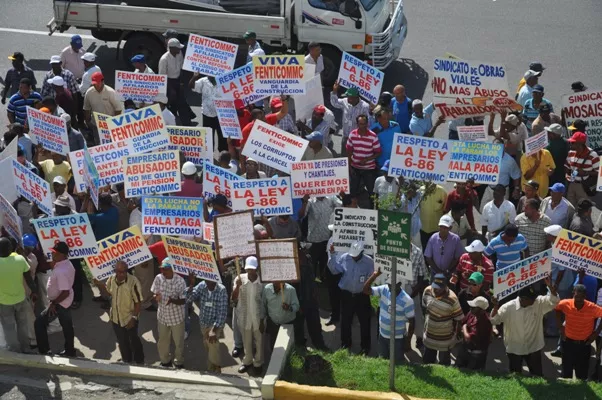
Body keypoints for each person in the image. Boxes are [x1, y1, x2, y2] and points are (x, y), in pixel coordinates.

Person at [93, 261, 144, 364]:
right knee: (122, 341)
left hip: (129, 318)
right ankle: (126, 360)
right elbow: (108, 292)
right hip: (116, 318)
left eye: (124, 272)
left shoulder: (133, 282)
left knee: (134, 341)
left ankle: (139, 361)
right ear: (115, 271)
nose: (121, 274)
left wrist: (134, 318)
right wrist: (100, 285)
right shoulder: (111, 279)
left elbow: (138, 303)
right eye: (119, 272)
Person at [328, 241, 374, 353]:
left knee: (364, 322)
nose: (353, 257)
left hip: (361, 296)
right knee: (346, 321)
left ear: (362, 252)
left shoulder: (369, 262)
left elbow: (372, 277)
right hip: (346, 295)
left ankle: (365, 347)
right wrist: (332, 254)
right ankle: (345, 344)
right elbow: (334, 270)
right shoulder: (345, 257)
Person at [362, 268, 415, 364]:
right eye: (389, 284)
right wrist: (375, 275)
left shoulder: (407, 300)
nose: (390, 286)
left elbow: (412, 323)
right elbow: (365, 290)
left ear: (399, 284)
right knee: (383, 362)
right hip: (382, 335)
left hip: (397, 339)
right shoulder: (384, 289)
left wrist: (408, 342)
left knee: (397, 364)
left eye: (392, 284)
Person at [34, 241, 76, 357]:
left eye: (55, 253)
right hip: (64, 302)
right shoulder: (67, 264)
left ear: (62, 255)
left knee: (39, 323)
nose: (52, 255)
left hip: (59, 303)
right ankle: (70, 350)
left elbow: (65, 292)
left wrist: (53, 304)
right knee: (67, 326)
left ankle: (44, 351)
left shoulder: (60, 271)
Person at [555, 284, 602, 380]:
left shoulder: (592, 307)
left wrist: (596, 332)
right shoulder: (566, 303)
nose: (579, 299)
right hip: (568, 343)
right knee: (566, 372)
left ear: (585, 296)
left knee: (582, 374)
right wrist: (560, 327)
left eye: (582, 297)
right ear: (573, 294)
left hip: (584, 345)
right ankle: (566, 391)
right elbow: (557, 309)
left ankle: (581, 390)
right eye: (577, 296)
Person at [0, 237, 37, 353]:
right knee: (23, 325)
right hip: (21, 299)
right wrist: (35, 291)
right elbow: (29, 278)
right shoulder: (20, 259)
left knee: (9, 327)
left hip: (4, 302)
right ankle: (25, 348)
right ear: (10, 248)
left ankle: (14, 349)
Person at [186, 273, 228, 373]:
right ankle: (212, 366)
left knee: (212, 343)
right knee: (208, 346)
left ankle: (215, 368)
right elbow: (188, 299)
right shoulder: (201, 285)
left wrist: (213, 330)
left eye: (211, 281)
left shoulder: (222, 290)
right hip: (203, 322)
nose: (208, 283)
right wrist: (191, 285)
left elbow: (222, 312)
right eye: (206, 280)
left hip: (215, 324)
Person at [231, 257, 265, 374]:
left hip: (258, 318)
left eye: (252, 269)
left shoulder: (262, 283)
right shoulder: (239, 279)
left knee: (259, 341)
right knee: (246, 341)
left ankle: (258, 362)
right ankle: (247, 361)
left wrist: (262, 320)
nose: (250, 272)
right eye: (248, 269)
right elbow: (233, 298)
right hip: (244, 317)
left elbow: (263, 302)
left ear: (257, 269)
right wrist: (237, 287)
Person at [151, 258, 187, 368]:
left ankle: (179, 361)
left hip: (176, 318)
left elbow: (183, 300)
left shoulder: (180, 281)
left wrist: (172, 300)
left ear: (172, 269)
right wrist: (155, 297)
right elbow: (154, 294)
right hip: (162, 316)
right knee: (162, 341)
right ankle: (165, 361)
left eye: (165, 269)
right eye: (162, 269)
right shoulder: (158, 278)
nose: (163, 272)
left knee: (178, 342)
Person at [422, 274, 463, 366]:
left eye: (439, 288)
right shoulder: (427, 290)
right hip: (429, 335)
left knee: (444, 365)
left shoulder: (453, 299)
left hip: (445, 338)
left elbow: (458, 318)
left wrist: (457, 333)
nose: (436, 290)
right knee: (428, 362)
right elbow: (424, 307)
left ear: (445, 286)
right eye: (435, 287)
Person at [300, 193, 341, 280]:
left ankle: (324, 280)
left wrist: (342, 197)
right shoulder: (310, 201)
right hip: (314, 239)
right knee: (312, 264)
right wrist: (304, 202)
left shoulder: (332, 197)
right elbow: (301, 215)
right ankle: (312, 283)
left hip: (328, 238)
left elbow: (342, 207)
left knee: (326, 263)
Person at [346, 114, 381, 207]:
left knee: (371, 191)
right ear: (357, 124)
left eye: (365, 124)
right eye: (361, 124)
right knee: (352, 190)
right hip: (355, 167)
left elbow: (378, 152)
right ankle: (351, 208)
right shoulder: (352, 134)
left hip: (369, 168)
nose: (363, 126)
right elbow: (349, 151)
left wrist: (367, 159)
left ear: (367, 124)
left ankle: (374, 210)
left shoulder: (373, 136)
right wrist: (349, 167)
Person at [83, 72, 123, 145]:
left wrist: (114, 123)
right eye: (94, 83)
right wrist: (87, 121)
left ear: (102, 81)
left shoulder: (111, 92)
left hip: (110, 125)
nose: (96, 85)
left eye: (97, 83)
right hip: (96, 124)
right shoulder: (89, 93)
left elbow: (118, 109)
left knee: (112, 144)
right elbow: (87, 108)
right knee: (99, 144)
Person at [330, 83, 370, 155]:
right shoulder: (345, 101)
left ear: (356, 98)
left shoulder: (365, 107)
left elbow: (368, 123)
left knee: (356, 159)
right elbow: (334, 103)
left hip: (358, 139)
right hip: (346, 137)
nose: (347, 98)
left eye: (349, 97)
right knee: (345, 158)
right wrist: (334, 91)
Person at [455, 296, 492, 370]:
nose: (471, 308)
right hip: (465, 349)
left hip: (477, 355)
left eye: (474, 307)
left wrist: (464, 328)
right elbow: (463, 321)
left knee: (473, 373)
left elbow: (468, 338)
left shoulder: (484, 322)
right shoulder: (471, 313)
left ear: (482, 310)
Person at [564, 131, 599, 207]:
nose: (570, 144)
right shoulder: (571, 152)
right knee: (570, 207)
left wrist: (585, 173)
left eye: (573, 142)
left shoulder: (593, 155)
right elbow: (567, 166)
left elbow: (599, 172)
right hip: (572, 184)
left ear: (580, 144)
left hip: (583, 186)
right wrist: (567, 174)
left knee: (584, 208)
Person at [190, 74, 225, 150]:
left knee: (222, 137)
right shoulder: (203, 81)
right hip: (207, 114)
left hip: (221, 114)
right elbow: (192, 86)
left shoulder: (225, 80)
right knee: (208, 137)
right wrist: (194, 76)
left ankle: (223, 155)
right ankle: (209, 154)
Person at [262, 281, 299, 351]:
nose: (277, 283)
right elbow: (263, 305)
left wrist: (289, 308)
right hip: (273, 324)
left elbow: (296, 306)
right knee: (274, 347)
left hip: (287, 324)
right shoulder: (267, 289)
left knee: (287, 348)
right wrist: (261, 320)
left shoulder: (291, 290)